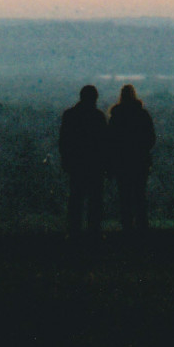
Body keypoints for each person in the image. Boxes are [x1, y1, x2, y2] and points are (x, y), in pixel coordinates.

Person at [59, 84, 109, 239]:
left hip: (77, 163)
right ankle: (94, 231)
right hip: (95, 164)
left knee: (76, 199)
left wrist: (66, 160)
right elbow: (104, 143)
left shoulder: (70, 115)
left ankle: (74, 231)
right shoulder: (98, 116)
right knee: (95, 200)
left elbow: (64, 141)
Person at [108, 84, 157, 234]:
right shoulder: (142, 114)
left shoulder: (116, 115)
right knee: (140, 195)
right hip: (140, 161)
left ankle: (127, 226)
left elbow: (110, 140)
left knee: (125, 196)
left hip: (122, 162)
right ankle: (142, 226)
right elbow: (151, 138)